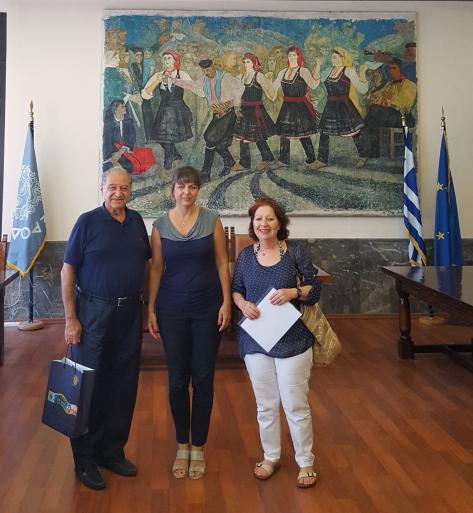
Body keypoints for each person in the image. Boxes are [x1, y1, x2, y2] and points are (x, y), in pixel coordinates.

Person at [61, 167, 151, 490]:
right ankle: (84, 460)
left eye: (123, 188)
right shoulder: (86, 222)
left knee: (123, 385)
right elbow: (67, 271)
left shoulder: (137, 222)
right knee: (88, 386)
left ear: (130, 190)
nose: (118, 193)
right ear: (102, 189)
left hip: (129, 314)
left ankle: (111, 451)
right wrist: (70, 319)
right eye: (112, 187)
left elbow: (146, 265)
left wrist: (146, 308)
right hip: (93, 314)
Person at [147, 166, 231, 480]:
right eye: (181, 186)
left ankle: (199, 445)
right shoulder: (159, 226)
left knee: (204, 378)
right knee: (177, 380)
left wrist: (226, 302)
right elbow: (156, 268)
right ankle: (183, 443)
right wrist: (151, 309)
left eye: (192, 186)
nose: (187, 192)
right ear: (173, 190)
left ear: (198, 190)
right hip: (171, 310)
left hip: (208, 308)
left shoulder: (212, 220)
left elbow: (222, 262)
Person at [231, 197, 321, 489]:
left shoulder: (295, 251)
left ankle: (305, 462)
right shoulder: (246, 256)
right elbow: (236, 290)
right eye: (258, 219)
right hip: (256, 340)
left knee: (295, 404)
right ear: (252, 223)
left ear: (280, 223)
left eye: (270, 218)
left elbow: (314, 289)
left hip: (293, 340)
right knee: (265, 405)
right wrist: (243, 304)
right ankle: (271, 457)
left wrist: (292, 292)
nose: (264, 224)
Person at [175, 59, 244, 182]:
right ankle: (229, 162)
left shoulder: (225, 77)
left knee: (210, 138)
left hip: (228, 113)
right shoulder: (204, 80)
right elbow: (192, 85)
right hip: (216, 114)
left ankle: (206, 173)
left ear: (213, 67)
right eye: (204, 71)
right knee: (219, 143)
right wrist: (175, 81)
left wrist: (237, 106)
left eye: (208, 70)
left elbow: (240, 87)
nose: (206, 73)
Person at [314, 47, 369, 169]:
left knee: (354, 131)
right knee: (324, 132)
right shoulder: (329, 71)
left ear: (342, 58)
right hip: (330, 106)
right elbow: (315, 82)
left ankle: (363, 155)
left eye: (334, 57)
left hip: (344, 105)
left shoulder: (348, 70)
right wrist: (317, 65)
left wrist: (362, 72)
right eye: (332, 57)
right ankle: (322, 160)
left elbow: (362, 89)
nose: (331, 60)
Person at [142, 50, 193, 169]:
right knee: (160, 137)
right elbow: (145, 94)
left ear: (175, 60)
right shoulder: (158, 75)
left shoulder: (182, 74)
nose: (166, 61)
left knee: (169, 138)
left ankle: (168, 164)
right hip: (163, 110)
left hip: (178, 109)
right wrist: (157, 81)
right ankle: (175, 155)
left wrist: (176, 81)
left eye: (169, 58)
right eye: (164, 59)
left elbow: (193, 87)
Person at [271, 47, 319, 169]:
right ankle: (283, 160)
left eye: (294, 55)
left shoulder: (303, 71)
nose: (291, 57)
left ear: (299, 56)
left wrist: (318, 67)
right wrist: (268, 79)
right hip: (286, 107)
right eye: (290, 55)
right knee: (284, 134)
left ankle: (311, 159)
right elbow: (274, 87)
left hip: (300, 107)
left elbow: (313, 85)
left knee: (303, 134)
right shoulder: (282, 72)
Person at [361, 57, 417, 158]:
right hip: (390, 115)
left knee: (373, 112)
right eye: (390, 68)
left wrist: (390, 98)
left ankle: (364, 134)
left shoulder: (410, 85)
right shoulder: (389, 84)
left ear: (400, 69)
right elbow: (379, 97)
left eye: (394, 68)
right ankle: (373, 151)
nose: (391, 71)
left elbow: (405, 105)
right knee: (373, 115)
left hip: (404, 118)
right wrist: (371, 96)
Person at [231, 52, 276, 172]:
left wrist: (269, 81)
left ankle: (267, 158)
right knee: (243, 137)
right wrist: (236, 108)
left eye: (248, 62)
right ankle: (245, 163)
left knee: (258, 136)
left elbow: (271, 95)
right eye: (244, 62)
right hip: (244, 109)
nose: (246, 64)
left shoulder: (258, 76)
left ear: (254, 63)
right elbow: (236, 94)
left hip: (256, 110)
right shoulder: (241, 77)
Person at [102, 99, 136, 173]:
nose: (125, 108)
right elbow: (107, 142)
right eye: (122, 107)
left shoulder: (129, 121)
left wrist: (120, 152)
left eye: (125, 106)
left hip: (124, 150)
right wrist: (113, 155)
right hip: (112, 151)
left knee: (130, 166)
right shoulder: (108, 123)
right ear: (115, 110)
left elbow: (131, 138)